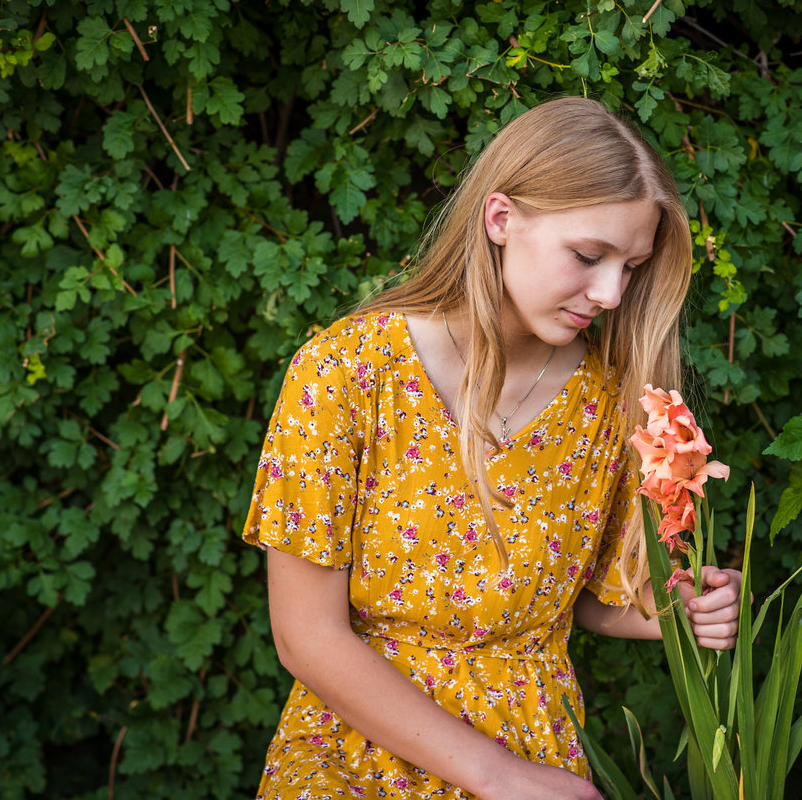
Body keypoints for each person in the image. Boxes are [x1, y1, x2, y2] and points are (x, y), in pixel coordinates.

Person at [242, 96, 743, 799]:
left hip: (535, 739)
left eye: (630, 267)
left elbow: (594, 599)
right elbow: (307, 636)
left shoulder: (612, 405)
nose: (609, 292)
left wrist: (682, 610)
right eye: (588, 255)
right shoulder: (346, 373)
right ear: (501, 218)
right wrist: (501, 778)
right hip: (356, 752)